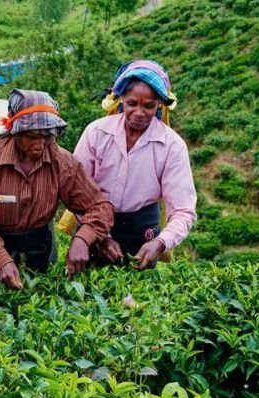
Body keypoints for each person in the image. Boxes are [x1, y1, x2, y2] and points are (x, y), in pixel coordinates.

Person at [0, 89, 114, 295]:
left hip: (37, 247)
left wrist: (83, 238)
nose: (40, 144)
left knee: (35, 304)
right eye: (31, 137)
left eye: (47, 137)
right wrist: (1, 258)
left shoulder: (61, 162)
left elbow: (99, 206)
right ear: (15, 131)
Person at [72, 60, 197, 269]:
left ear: (159, 104)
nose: (139, 113)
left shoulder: (172, 146)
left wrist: (159, 243)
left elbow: (183, 210)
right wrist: (100, 236)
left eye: (148, 106)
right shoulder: (97, 133)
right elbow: (77, 191)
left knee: (136, 297)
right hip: (92, 225)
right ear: (121, 99)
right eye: (132, 104)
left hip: (142, 232)